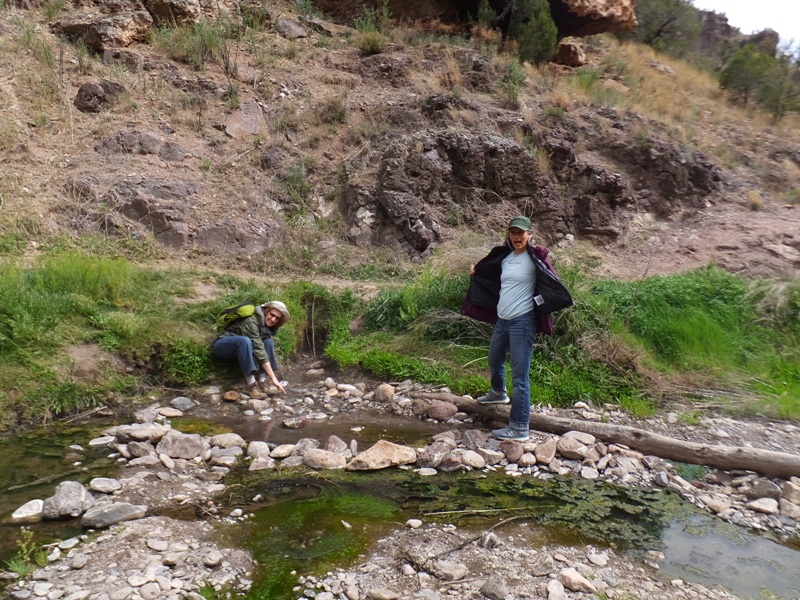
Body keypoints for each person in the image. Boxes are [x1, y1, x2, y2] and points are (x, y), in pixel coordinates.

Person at [465, 216, 542, 442]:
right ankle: (498, 393)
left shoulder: (535, 259)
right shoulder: (506, 258)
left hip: (522, 321)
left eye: (521, 233)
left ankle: (519, 428)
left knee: (520, 378)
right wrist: (476, 272)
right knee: (493, 358)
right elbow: (494, 279)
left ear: (529, 234)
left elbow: (549, 280)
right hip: (503, 319)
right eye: (513, 233)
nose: (517, 237)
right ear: (509, 234)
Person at [211, 300, 290, 398]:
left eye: (277, 318)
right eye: (272, 314)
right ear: (266, 311)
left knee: (268, 342)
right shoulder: (251, 320)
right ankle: (251, 386)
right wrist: (274, 377)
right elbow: (258, 349)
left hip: (241, 350)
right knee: (244, 341)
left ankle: (262, 382)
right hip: (222, 345)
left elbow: (261, 346)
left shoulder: (265, 325)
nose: (273, 319)